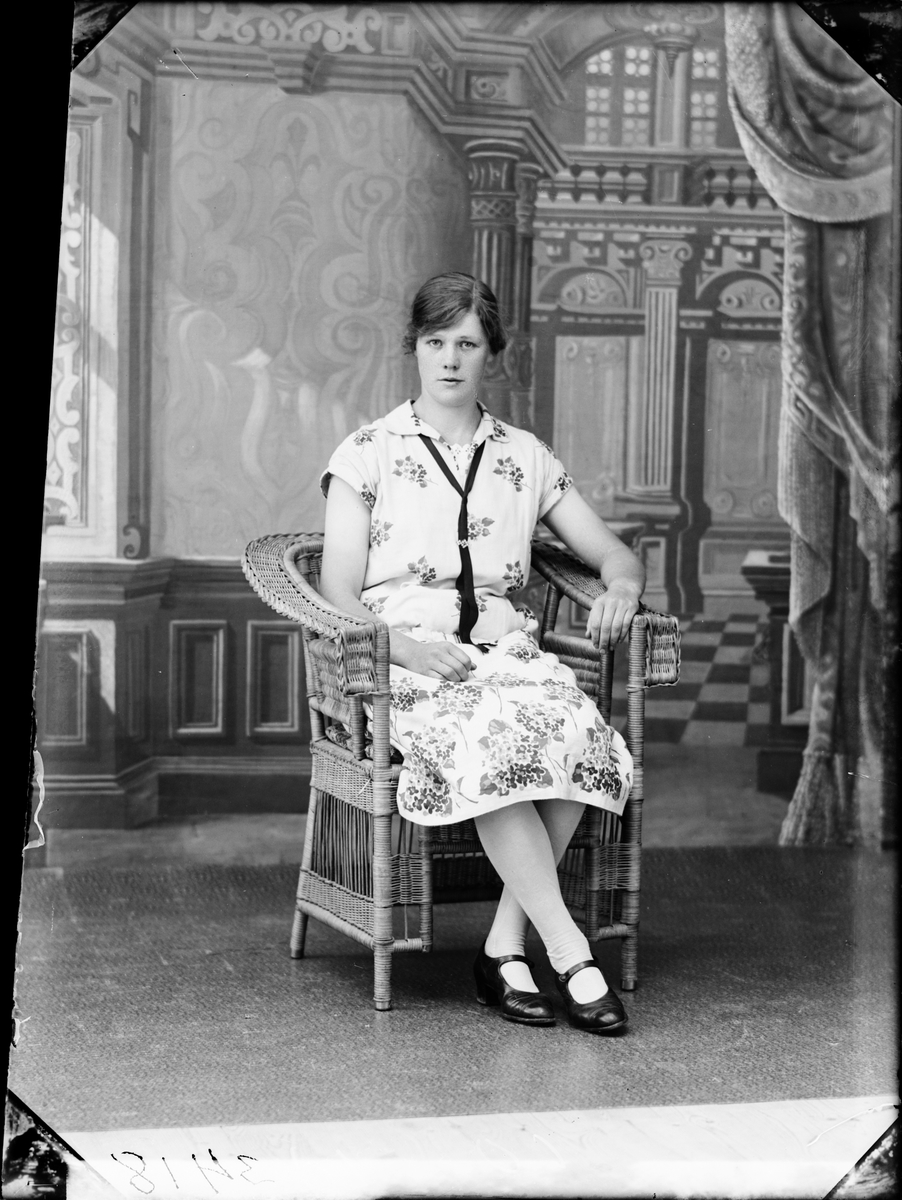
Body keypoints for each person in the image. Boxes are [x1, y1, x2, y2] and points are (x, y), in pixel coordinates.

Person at [320, 272, 646, 1034]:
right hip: (403, 664)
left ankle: (502, 949)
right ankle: (571, 956)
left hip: (506, 659)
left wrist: (624, 587)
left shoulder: (524, 457)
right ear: (415, 347)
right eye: (436, 342)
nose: (449, 359)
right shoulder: (367, 454)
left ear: (490, 353)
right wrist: (405, 649)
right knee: (490, 743)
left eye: (466, 344)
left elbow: (612, 553)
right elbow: (336, 589)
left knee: (580, 736)